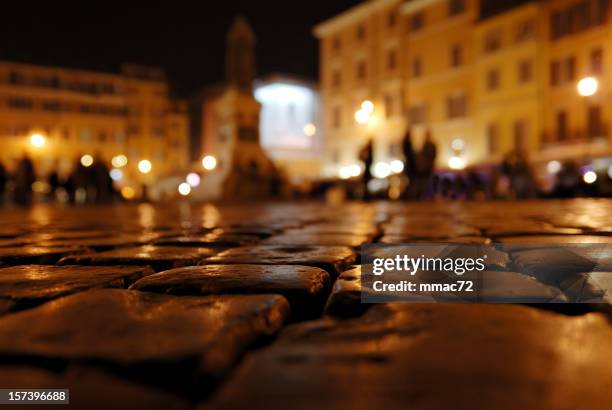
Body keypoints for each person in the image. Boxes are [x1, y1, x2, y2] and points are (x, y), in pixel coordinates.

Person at [416, 130, 437, 199]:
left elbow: (433, 155)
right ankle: (425, 195)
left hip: (428, 166)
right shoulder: (425, 144)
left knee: (428, 181)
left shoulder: (430, 145)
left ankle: (428, 195)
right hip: (424, 167)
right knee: (424, 182)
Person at [401, 130, 417, 199]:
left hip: (408, 164)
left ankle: (409, 194)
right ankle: (409, 195)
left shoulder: (405, 142)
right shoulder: (408, 143)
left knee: (409, 180)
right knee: (409, 180)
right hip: (409, 165)